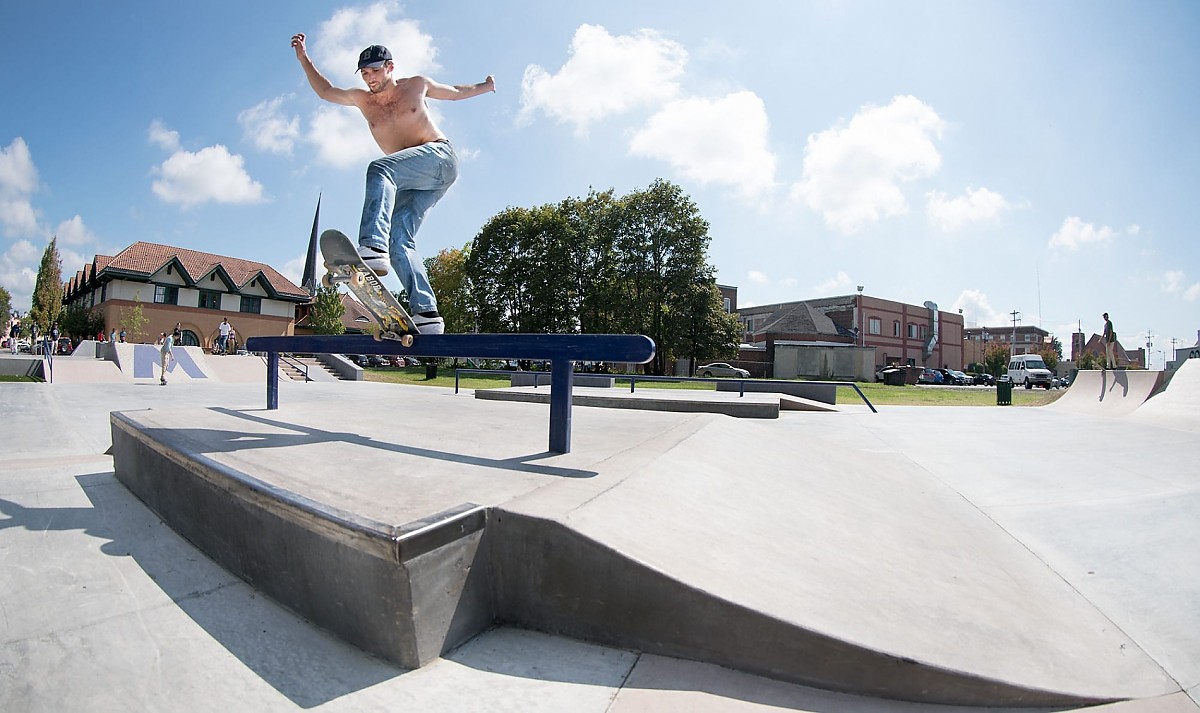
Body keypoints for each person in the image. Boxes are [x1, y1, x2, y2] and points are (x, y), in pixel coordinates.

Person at [290, 33, 495, 335]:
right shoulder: (363, 100)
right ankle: (427, 313)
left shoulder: (415, 85)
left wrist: (485, 86)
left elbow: (454, 91)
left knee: (379, 169)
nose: (369, 78)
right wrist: (303, 58)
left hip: (439, 157)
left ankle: (372, 245)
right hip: (414, 180)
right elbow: (326, 90)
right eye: (364, 73)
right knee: (400, 240)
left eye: (374, 71)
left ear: (390, 67)